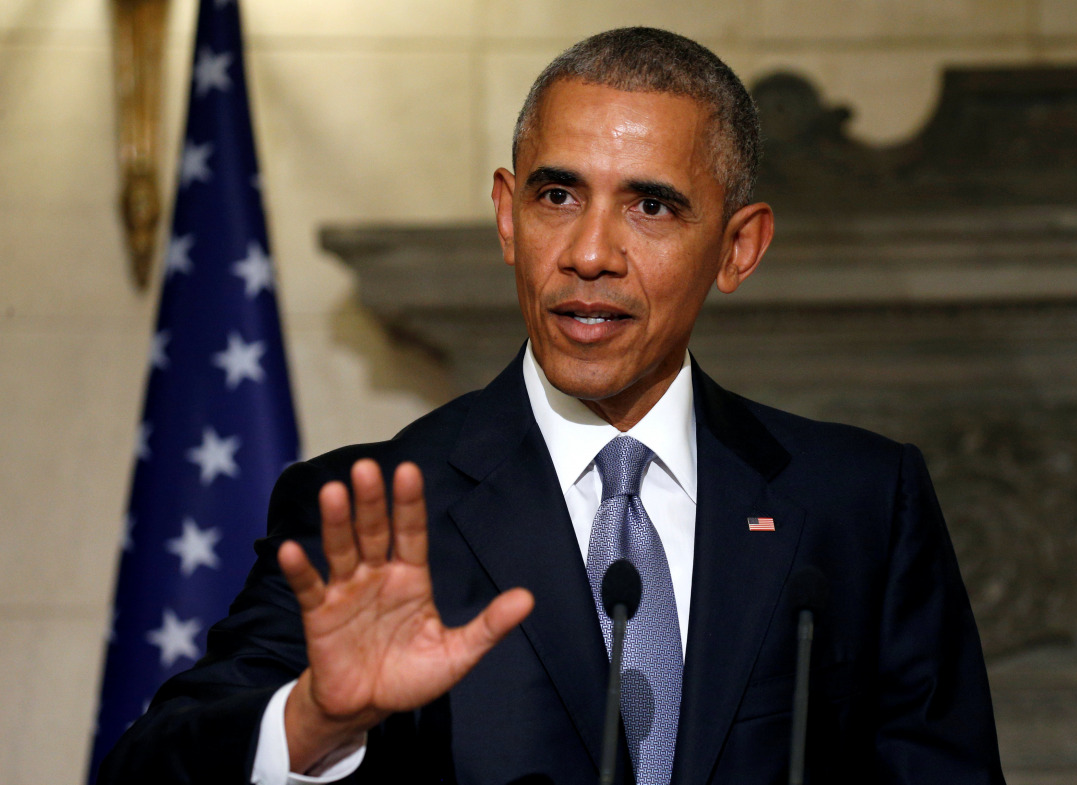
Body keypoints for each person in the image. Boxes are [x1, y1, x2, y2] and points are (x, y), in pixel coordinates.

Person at [100, 27, 1005, 784]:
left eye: (651, 206)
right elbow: (149, 769)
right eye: (558, 195)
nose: (589, 252)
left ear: (739, 247)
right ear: (507, 216)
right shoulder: (376, 512)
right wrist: (315, 721)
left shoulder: (856, 504)